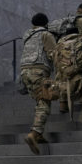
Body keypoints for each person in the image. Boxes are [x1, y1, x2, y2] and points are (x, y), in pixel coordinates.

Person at [21, 13, 61, 155]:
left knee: (39, 101)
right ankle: (34, 133)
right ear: (46, 23)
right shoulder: (46, 34)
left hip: (24, 72)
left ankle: (40, 133)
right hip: (39, 71)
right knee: (45, 102)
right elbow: (53, 54)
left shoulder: (27, 35)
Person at [56, 3, 82, 114]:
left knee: (62, 77)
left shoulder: (68, 20)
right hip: (79, 54)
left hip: (63, 55)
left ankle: (63, 103)